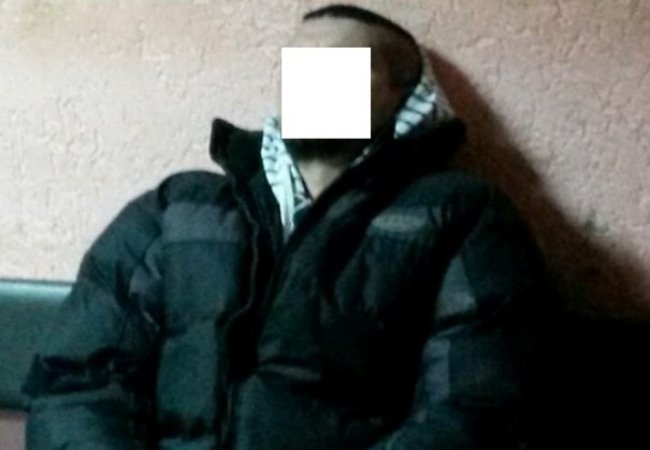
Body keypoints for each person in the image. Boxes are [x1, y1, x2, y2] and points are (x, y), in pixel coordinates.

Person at [22, 4, 554, 450]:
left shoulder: (459, 215)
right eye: (298, 66)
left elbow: (480, 412)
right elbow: (80, 380)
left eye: (341, 66)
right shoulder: (177, 209)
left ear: (405, 94)